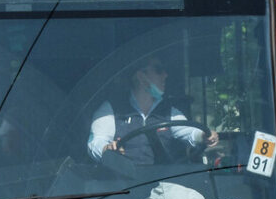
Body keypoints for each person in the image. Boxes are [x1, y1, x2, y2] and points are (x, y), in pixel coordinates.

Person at [87, 56, 218, 166]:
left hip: (163, 186)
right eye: (159, 70)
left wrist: (203, 135)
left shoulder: (168, 110)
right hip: (123, 185)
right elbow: (96, 141)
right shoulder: (112, 109)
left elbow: (187, 130)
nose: (165, 75)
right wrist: (107, 150)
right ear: (141, 76)